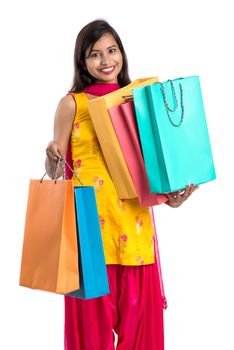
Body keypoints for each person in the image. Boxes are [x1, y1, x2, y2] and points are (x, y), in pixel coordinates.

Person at [45, 19, 198, 350]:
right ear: (82, 62)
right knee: (91, 339)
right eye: (94, 54)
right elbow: (56, 170)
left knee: (142, 337)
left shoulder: (141, 102)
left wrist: (172, 197)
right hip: (90, 238)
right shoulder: (73, 104)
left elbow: (153, 170)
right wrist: (52, 157)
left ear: (122, 54)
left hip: (136, 231)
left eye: (112, 50)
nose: (105, 61)